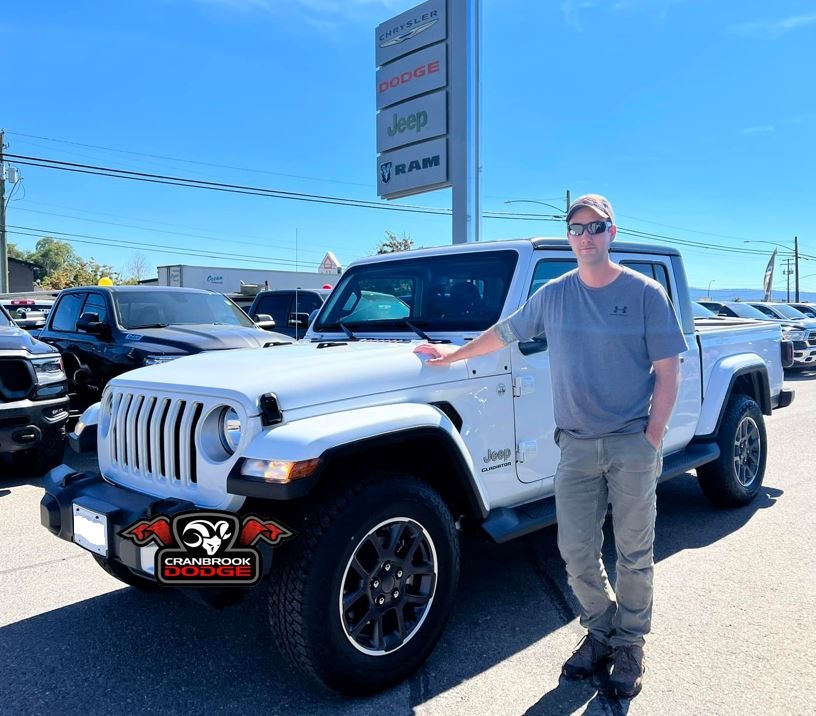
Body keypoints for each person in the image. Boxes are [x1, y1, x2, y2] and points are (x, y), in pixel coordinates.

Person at [414, 194, 687, 699]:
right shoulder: (555, 294)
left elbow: (669, 372)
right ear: (569, 237)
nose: (586, 237)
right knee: (576, 550)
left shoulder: (646, 293)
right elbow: (505, 332)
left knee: (634, 551)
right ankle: (602, 627)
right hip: (577, 447)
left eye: (596, 227)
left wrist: (652, 438)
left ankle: (629, 643)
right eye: (577, 228)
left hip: (631, 442)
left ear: (612, 232)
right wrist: (454, 355)